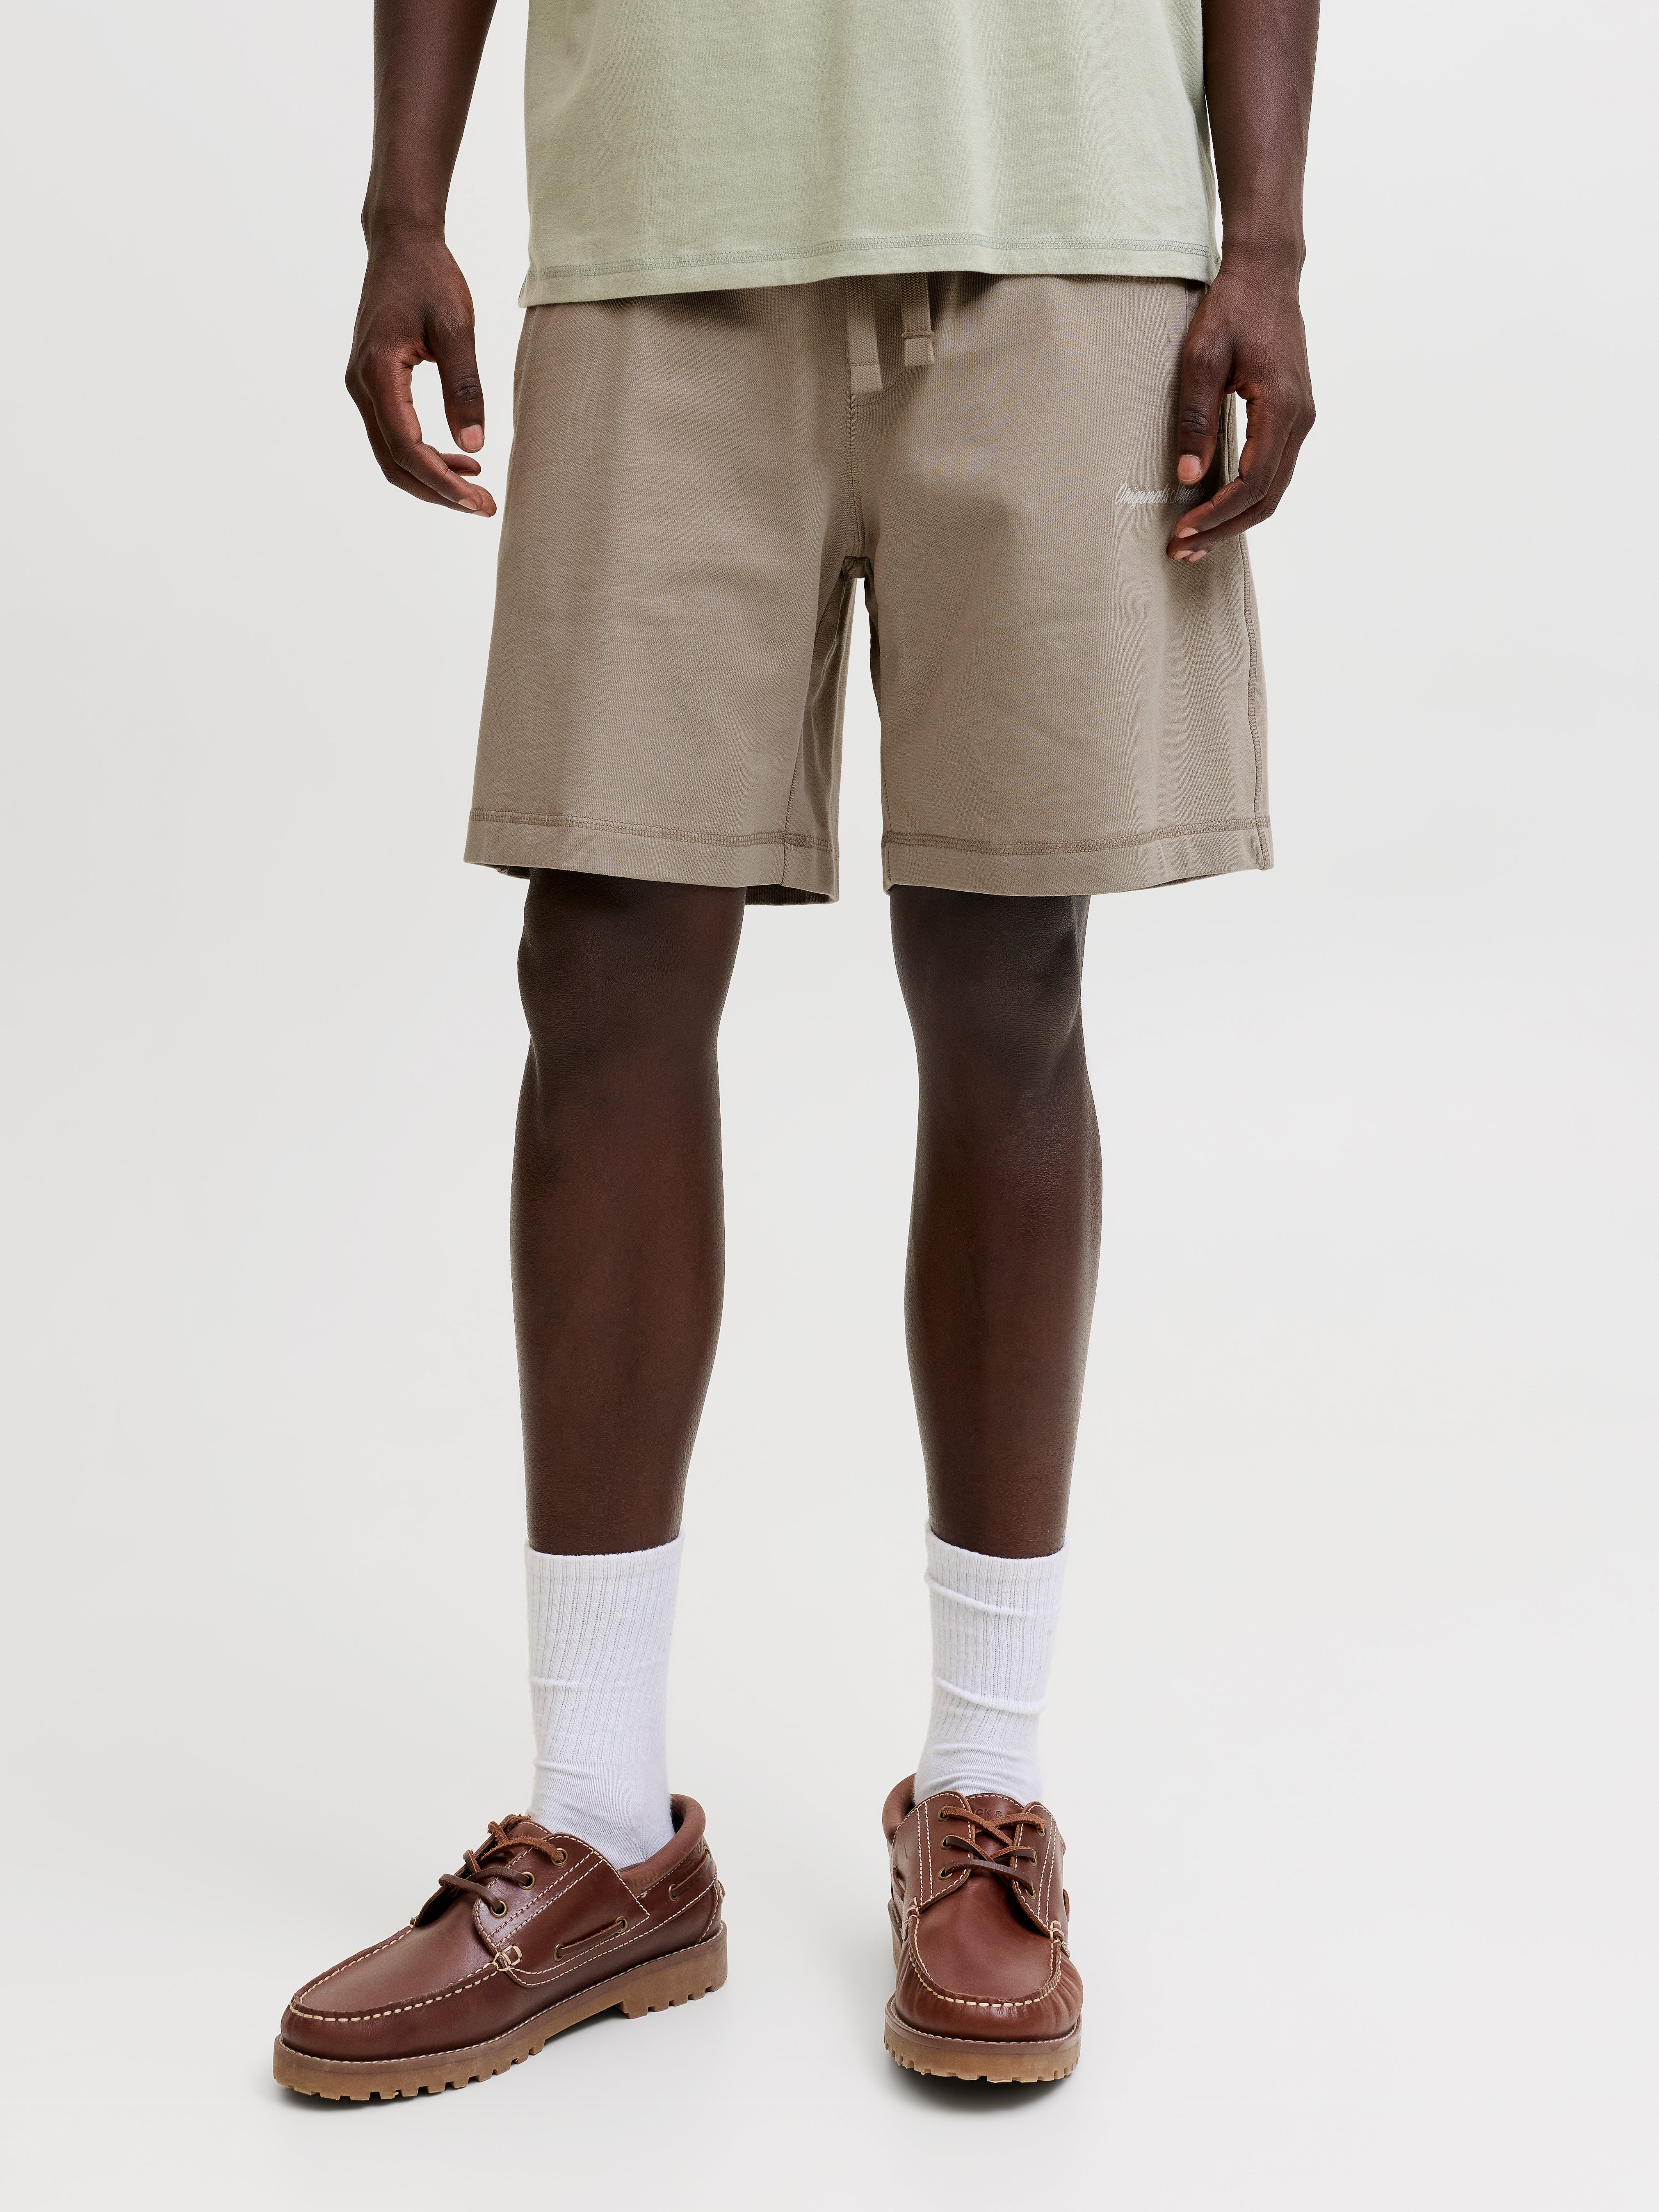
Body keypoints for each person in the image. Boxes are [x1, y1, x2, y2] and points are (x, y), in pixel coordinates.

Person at [273, 0, 1317, 2098]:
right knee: (604, 965)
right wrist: (403, 204)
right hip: (665, 222)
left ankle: (984, 1791)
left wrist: (1268, 245)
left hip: (1064, 224)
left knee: (1012, 980)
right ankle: (600, 1821)